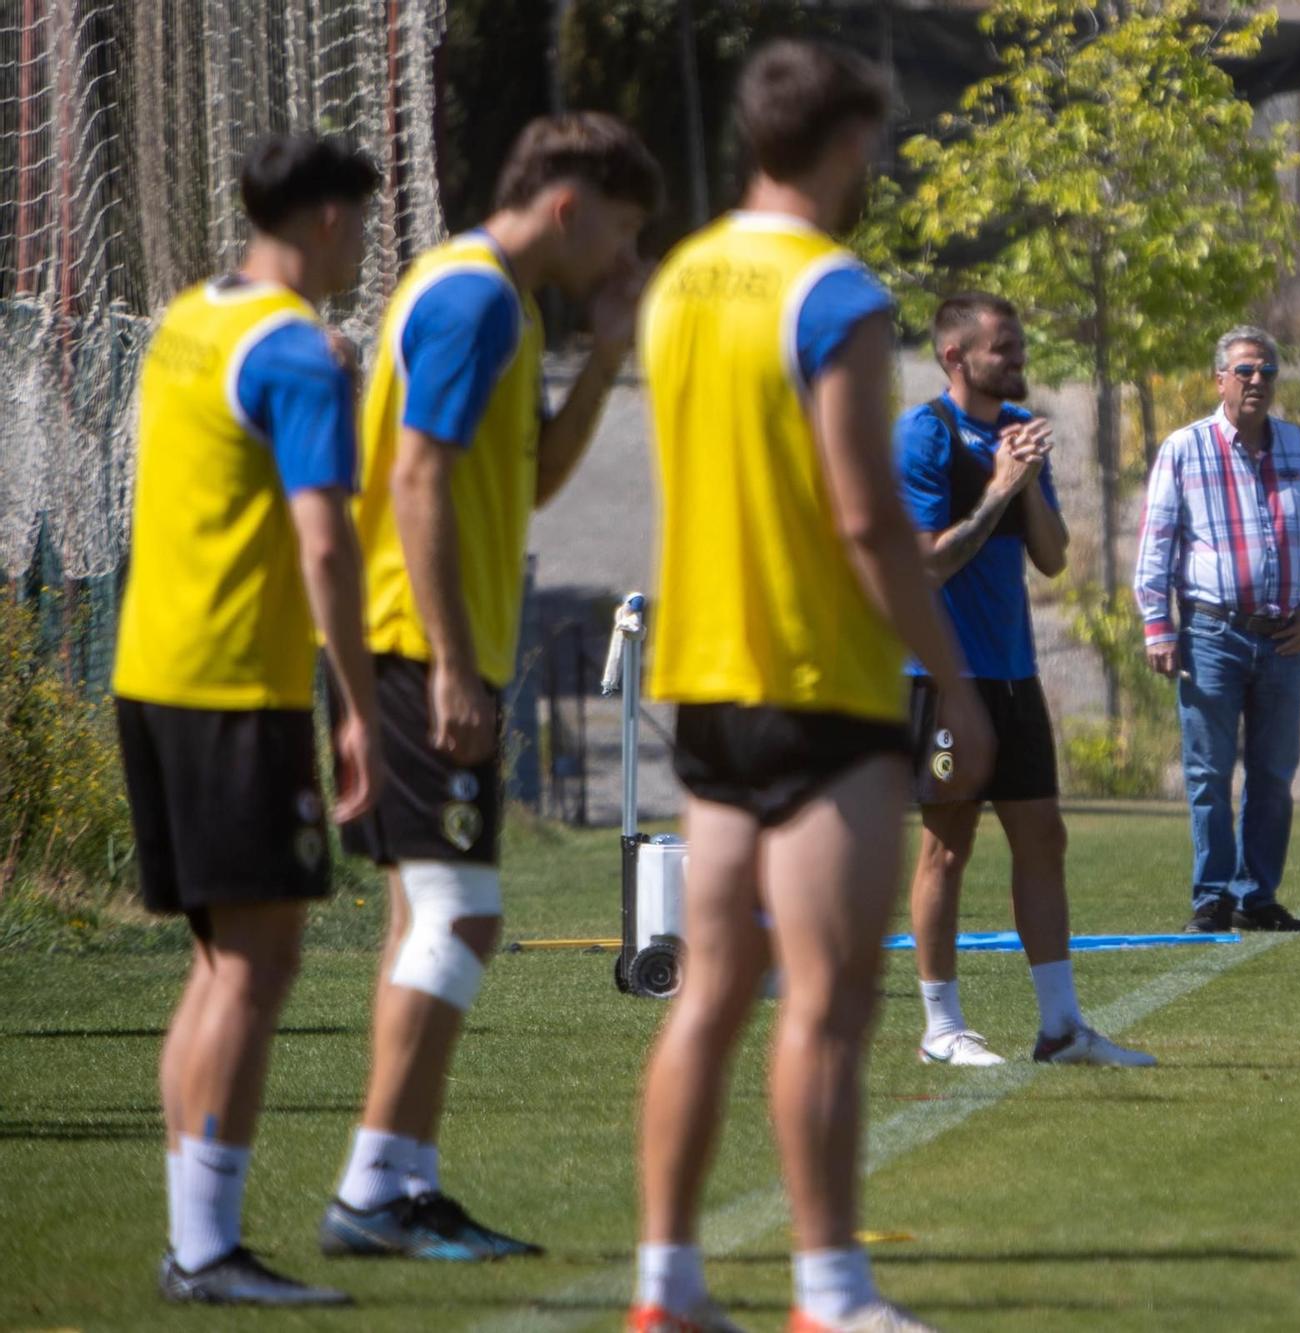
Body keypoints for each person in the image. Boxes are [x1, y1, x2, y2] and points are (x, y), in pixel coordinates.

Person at [630, 40, 993, 1333]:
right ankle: (831, 1292)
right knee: (832, 1001)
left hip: (710, 681)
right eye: (871, 146)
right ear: (841, 146)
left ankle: (665, 1285)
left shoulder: (678, 282)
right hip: (824, 685)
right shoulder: (833, 291)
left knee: (715, 989)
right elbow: (863, 519)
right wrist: (950, 682)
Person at [321, 113, 662, 1260]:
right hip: (418, 654)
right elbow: (414, 481)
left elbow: (532, 485)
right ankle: (373, 1189)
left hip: (428, 653)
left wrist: (609, 350)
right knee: (463, 915)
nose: (622, 259)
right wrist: (453, 664)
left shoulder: (502, 304)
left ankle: (404, 1187)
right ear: (567, 205)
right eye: (620, 232)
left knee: (428, 916)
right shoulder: (469, 297)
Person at [116, 132, 383, 1305]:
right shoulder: (294, 353)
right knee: (259, 966)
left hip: (153, 673)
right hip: (237, 686)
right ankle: (206, 1249)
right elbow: (326, 539)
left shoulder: (191, 319)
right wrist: (362, 711)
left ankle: (194, 1235)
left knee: (218, 964)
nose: (368, 244)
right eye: (364, 223)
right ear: (326, 219)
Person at [898, 291, 1154, 1069]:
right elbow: (927, 560)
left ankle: (1061, 1027)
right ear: (955, 356)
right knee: (948, 844)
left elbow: (1050, 555)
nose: (1018, 360)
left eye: (1018, 346)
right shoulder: (926, 434)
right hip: (944, 677)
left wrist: (1030, 476)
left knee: (1044, 835)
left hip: (1014, 675)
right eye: (1002, 349)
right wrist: (1000, 488)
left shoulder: (1016, 432)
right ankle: (941, 1026)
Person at [1133, 326, 1300, 935]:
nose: (1257, 382)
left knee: (1274, 774)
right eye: (1245, 371)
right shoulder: (1184, 448)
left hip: (1284, 638)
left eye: (1268, 372)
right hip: (1211, 634)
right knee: (1208, 773)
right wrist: (1158, 626)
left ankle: (1258, 896)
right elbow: (1156, 546)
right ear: (1219, 379)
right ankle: (1213, 895)